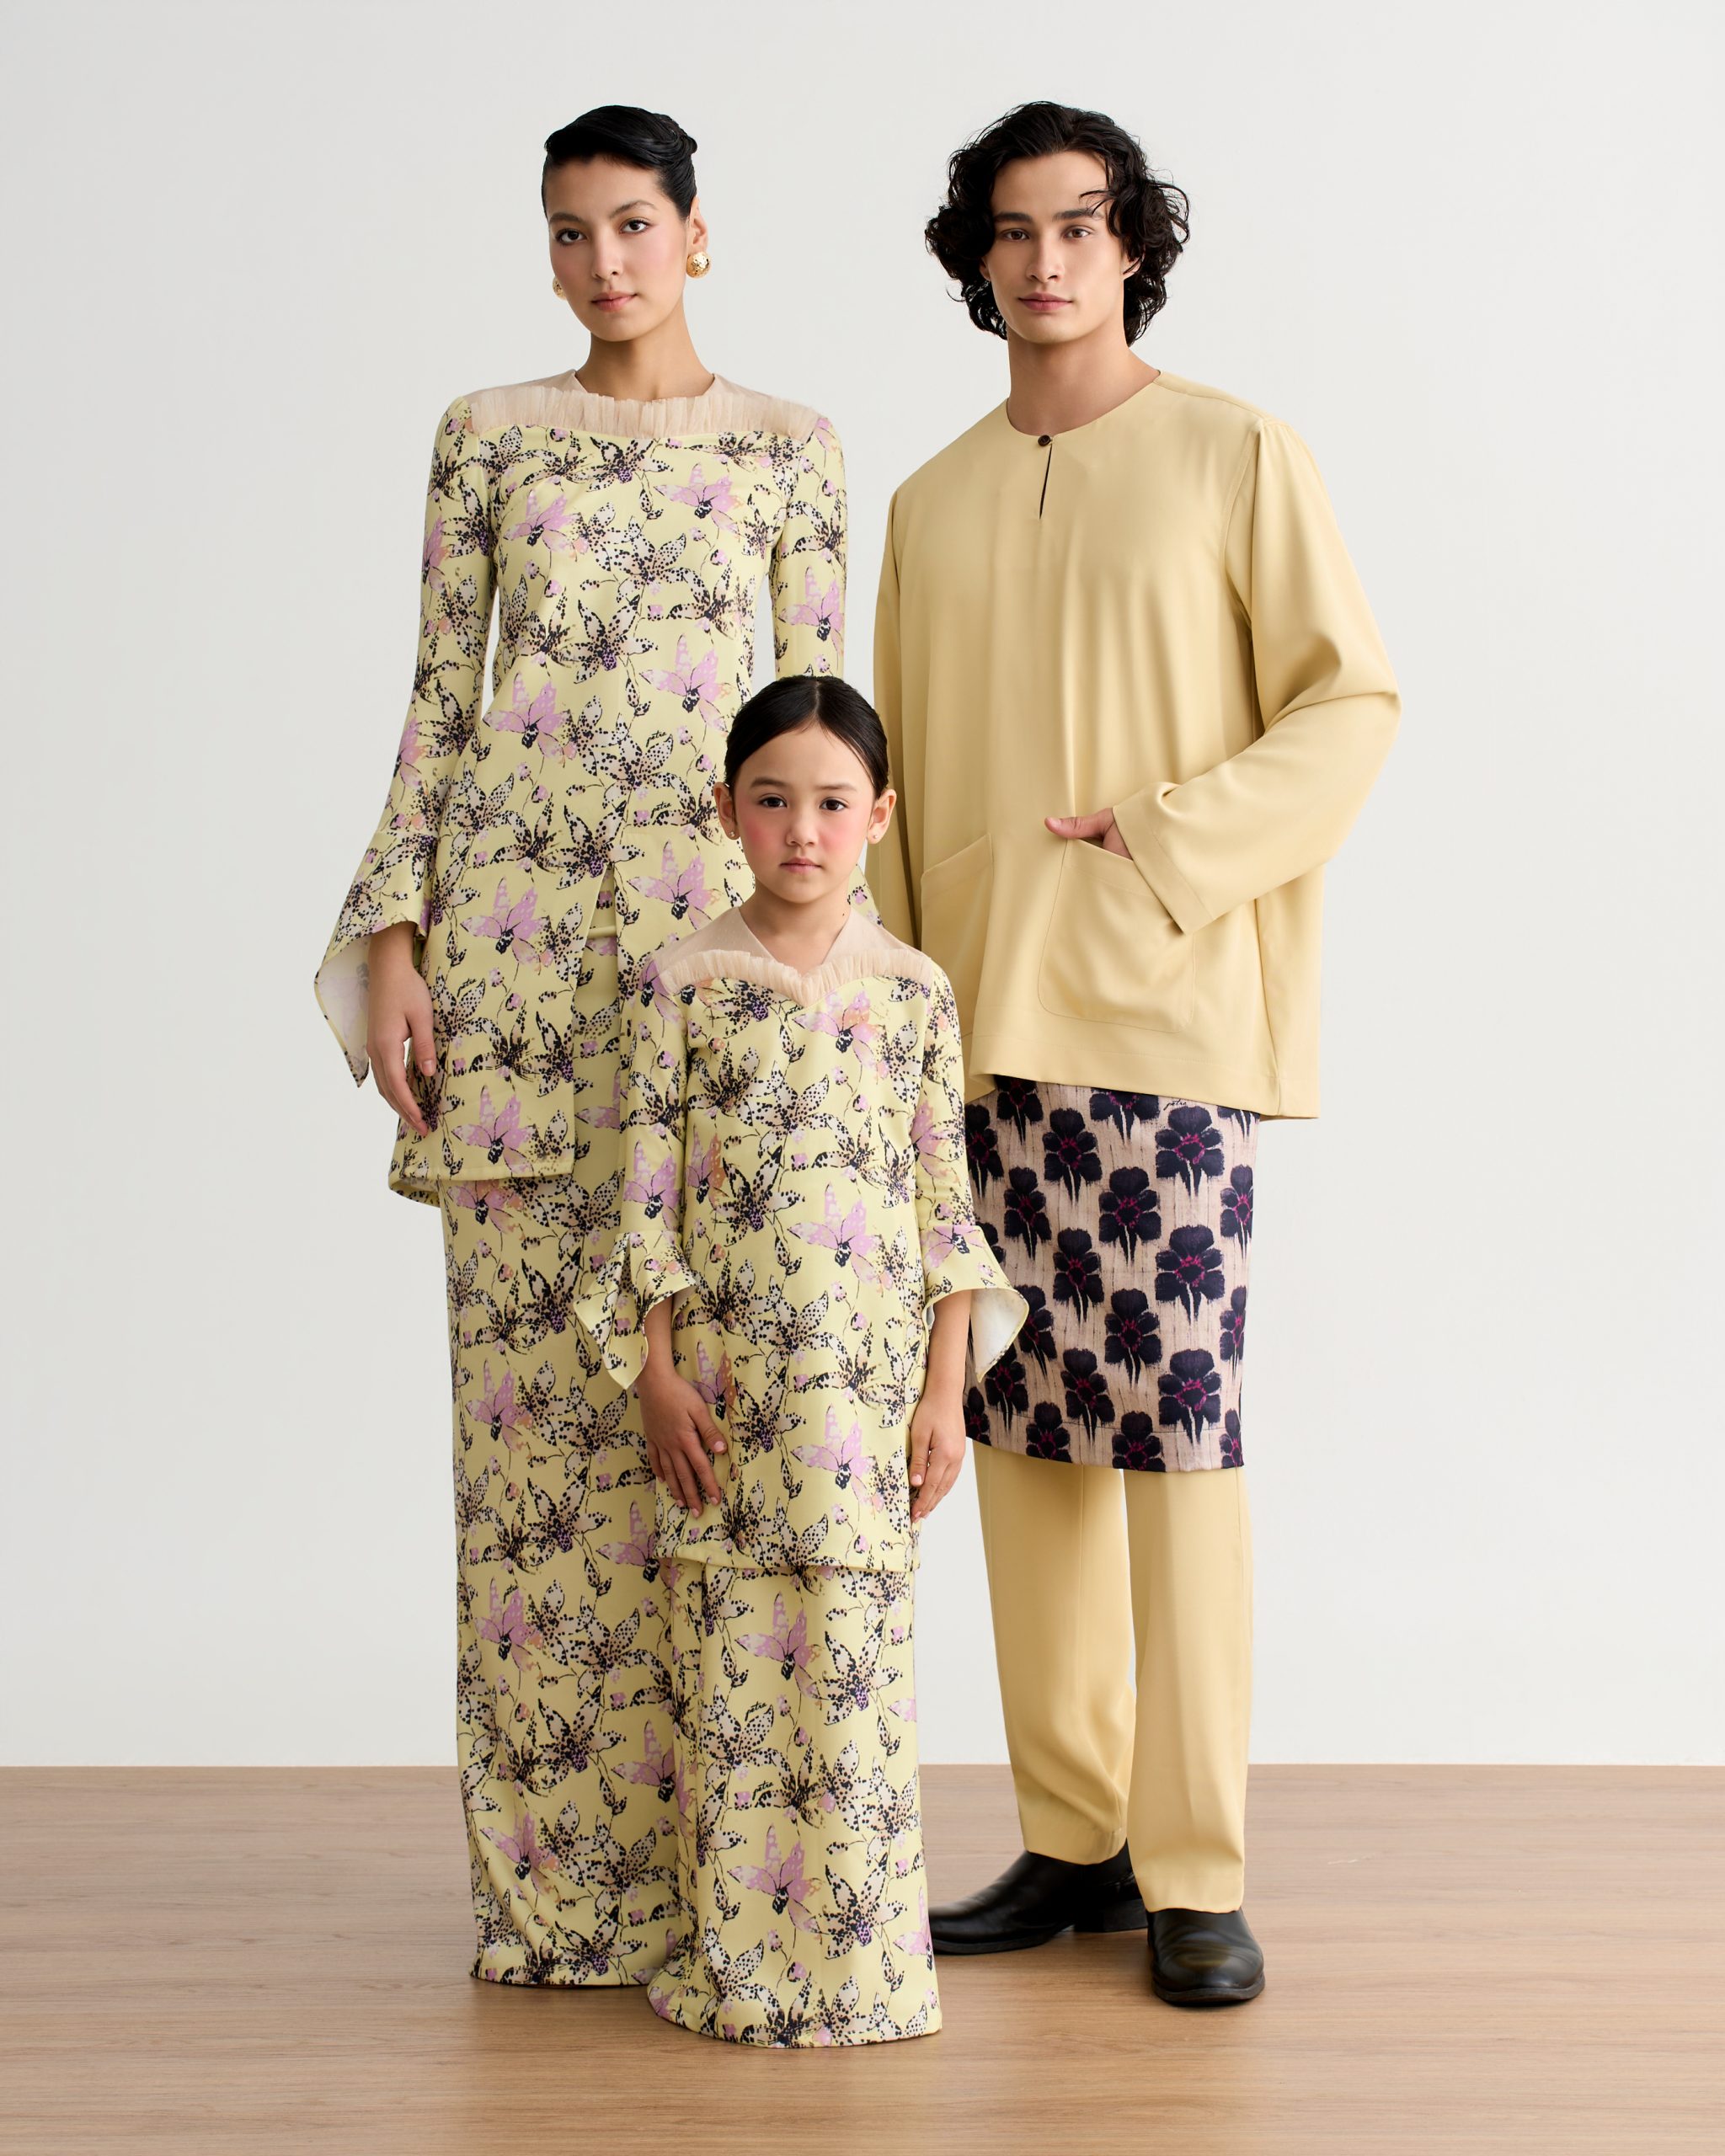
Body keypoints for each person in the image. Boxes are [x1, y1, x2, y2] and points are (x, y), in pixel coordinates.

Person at [868, 101, 1400, 2007]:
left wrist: (1170, 840)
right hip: (973, 1029)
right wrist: (889, 1023)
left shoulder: (1235, 451)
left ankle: (1194, 1868)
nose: (1046, 261)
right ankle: (1077, 1839)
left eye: (1080, 225)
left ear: (1133, 244)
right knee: (1020, 1442)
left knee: (1174, 1446)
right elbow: (889, 779)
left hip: (1164, 1025)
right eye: (1013, 231)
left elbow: (1351, 705)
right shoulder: (929, 502)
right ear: (976, 259)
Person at [313, 105, 851, 1988]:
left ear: (698, 234)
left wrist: (833, 997)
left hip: (714, 987)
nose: (602, 261)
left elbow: (822, 730)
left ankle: (740, 1888)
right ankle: (556, 1900)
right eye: (569, 231)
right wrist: (396, 942)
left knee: (715, 1443)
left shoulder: (792, 449)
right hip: (516, 987)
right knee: (530, 1454)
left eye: (633, 224)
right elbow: (435, 704)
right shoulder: (486, 434)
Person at [574, 676, 1025, 2045]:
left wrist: (945, 1396)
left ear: (879, 815)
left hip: (865, 1406)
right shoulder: (681, 984)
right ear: (728, 810)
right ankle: (743, 1970)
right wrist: (655, 1376)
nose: (803, 831)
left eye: (833, 803)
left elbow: (946, 1213)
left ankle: (865, 1972)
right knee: (733, 1676)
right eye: (773, 801)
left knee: (854, 1674)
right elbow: (645, 1203)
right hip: (723, 1403)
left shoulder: (916, 994)